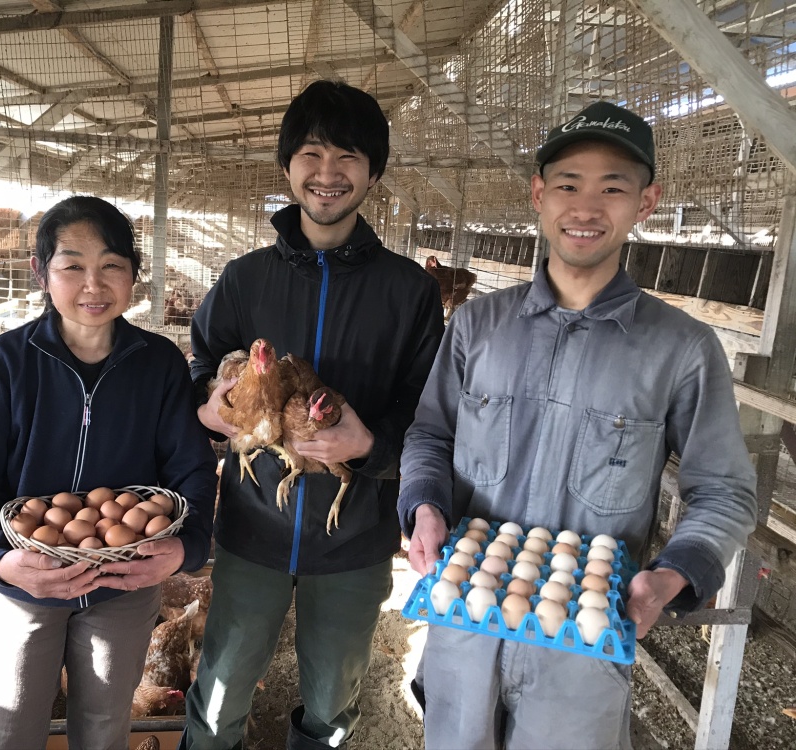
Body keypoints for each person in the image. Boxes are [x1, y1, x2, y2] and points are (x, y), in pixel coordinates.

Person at [398, 101, 759, 750]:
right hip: (465, 635)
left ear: (646, 202)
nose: (587, 207)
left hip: (582, 653)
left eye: (613, 187)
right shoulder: (478, 328)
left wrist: (675, 572)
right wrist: (423, 505)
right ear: (539, 195)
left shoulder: (680, 348)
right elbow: (431, 434)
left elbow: (725, 490)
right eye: (568, 184)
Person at [182, 80, 444, 750]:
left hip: (353, 537)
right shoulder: (244, 280)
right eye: (313, 153)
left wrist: (370, 447)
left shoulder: (409, 292)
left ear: (373, 171)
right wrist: (212, 409)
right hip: (252, 530)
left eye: (349, 157)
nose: (329, 174)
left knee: (332, 702)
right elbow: (197, 374)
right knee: (219, 692)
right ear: (288, 164)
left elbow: (429, 413)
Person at [0, 195, 218, 750]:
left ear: (134, 275)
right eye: (73, 266)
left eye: (112, 265)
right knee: (10, 727)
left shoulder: (159, 363)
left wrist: (186, 548)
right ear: (42, 273)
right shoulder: (6, 362)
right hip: (26, 584)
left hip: (122, 584)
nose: (93, 284)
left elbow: (191, 465)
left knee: (104, 727)